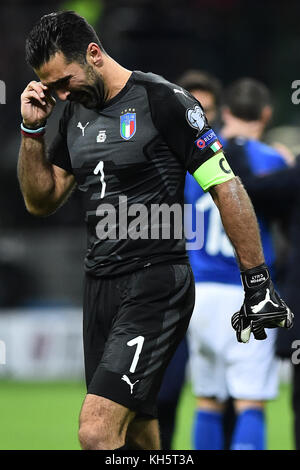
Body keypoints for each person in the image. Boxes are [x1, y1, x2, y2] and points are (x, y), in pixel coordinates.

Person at [18, 11, 292, 450]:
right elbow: (41, 199)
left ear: (93, 54)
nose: (61, 93)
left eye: (64, 81)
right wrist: (32, 129)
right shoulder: (72, 114)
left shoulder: (164, 101)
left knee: (96, 431)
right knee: (139, 434)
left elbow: (226, 186)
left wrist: (256, 279)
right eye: (52, 88)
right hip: (100, 285)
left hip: (156, 281)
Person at [185, 78, 289, 450]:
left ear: (225, 112)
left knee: (208, 399)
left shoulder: (194, 160)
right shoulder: (273, 160)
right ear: (266, 114)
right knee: (250, 401)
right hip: (248, 292)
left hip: (200, 293)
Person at [157, 70, 223, 450]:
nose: (197, 118)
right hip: (169, 293)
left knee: (224, 396)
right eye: (192, 109)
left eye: (206, 110)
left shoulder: (227, 162)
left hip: (215, 293)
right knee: (161, 397)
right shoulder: (159, 163)